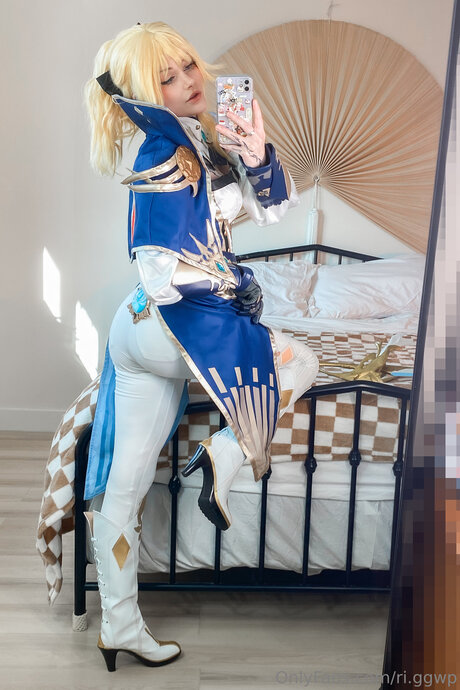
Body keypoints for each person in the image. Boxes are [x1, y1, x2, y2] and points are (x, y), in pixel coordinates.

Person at [83, 21, 319, 672]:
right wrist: (231, 283)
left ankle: (119, 626)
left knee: (126, 487)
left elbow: (270, 211)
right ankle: (226, 450)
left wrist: (257, 152)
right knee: (301, 361)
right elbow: (160, 273)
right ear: (143, 93)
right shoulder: (164, 151)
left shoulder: (199, 142)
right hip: (166, 324)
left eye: (188, 65)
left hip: (138, 332)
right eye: (167, 77)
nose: (189, 81)